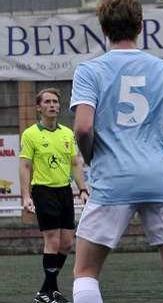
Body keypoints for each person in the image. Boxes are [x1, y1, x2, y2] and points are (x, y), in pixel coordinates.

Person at [69, 0, 163, 303]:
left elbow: (83, 127)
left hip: (113, 179)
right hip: (159, 178)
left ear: (103, 28)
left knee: (85, 272)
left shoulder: (89, 71)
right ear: (141, 26)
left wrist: (90, 156)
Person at [19, 88, 89, 303]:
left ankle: (46, 291)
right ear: (39, 107)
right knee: (52, 240)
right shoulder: (30, 134)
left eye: (55, 102)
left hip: (64, 191)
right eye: (47, 102)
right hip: (43, 191)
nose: (53, 105)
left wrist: (83, 189)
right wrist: (26, 196)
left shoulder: (67, 133)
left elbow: (76, 163)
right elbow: (25, 165)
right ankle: (50, 291)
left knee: (67, 243)